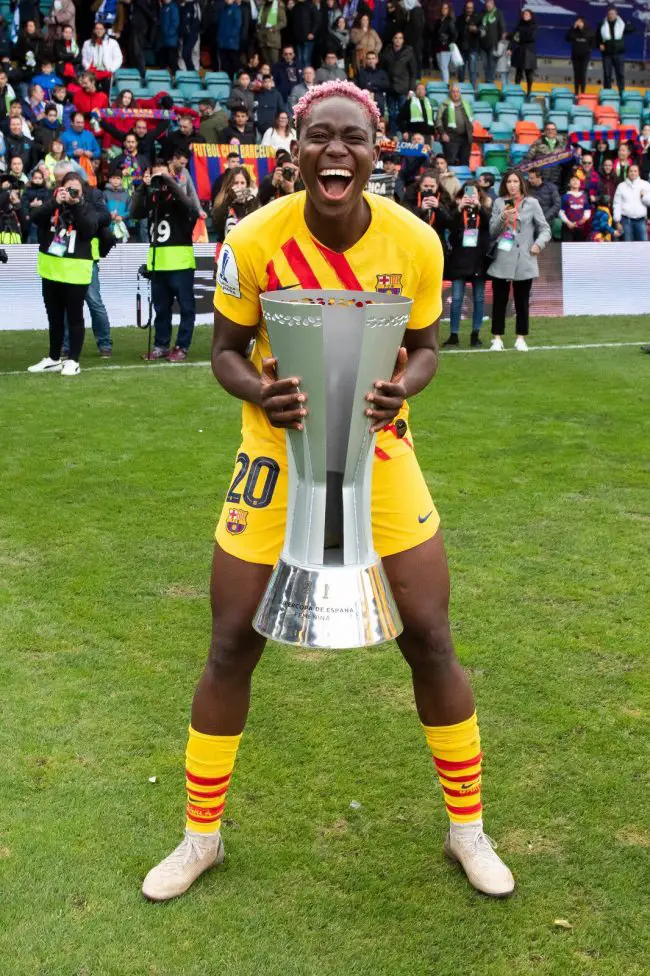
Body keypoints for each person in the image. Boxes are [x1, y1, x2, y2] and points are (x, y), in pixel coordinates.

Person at [141, 78, 515, 905]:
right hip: (276, 460)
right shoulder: (253, 237)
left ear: (377, 153)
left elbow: (426, 347)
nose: (335, 150)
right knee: (232, 639)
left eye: (352, 138)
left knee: (430, 633)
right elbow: (225, 351)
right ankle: (199, 838)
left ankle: (468, 830)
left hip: (381, 457)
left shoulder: (415, 240)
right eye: (319, 137)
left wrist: (403, 387)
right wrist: (258, 392)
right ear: (296, 151)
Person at [27, 172, 99, 377]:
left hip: (76, 273)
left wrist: (75, 206)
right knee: (54, 317)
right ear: (60, 189)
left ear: (82, 191)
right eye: (67, 189)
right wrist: (53, 203)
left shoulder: (87, 208)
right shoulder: (53, 205)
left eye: (75, 190)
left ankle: (73, 360)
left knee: (75, 317)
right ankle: (53, 358)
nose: (71, 193)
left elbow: (88, 230)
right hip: (51, 270)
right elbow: (33, 218)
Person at [129, 160, 199, 362]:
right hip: (158, 263)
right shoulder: (152, 200)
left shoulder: (178, 199)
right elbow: (135, 213)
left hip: (180, 264)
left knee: (186, 308)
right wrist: (143, 187)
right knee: (161, 308)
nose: (160, 181)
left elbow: (191, 208)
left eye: (163, 175)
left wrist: (170, 182)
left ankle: (182, 346)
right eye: (155, 176)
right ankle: (161, 345)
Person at [487, 169, 550, 352]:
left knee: (522, 301)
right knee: (499, 300)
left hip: (525, 258)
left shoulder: (532, 203)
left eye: (515, 181)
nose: (512, 185)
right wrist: (502, 217)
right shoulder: (499, 202)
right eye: (508, 182)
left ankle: (521, 337)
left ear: (521, 183)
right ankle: (496, 337)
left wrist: (538, 244)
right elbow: (492, 231)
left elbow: (545, 228)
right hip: (502, 257)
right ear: (504, 184)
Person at [442, 181, 491, 348]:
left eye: (474, 194)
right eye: (467, 194)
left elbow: (489, 225)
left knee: (479, 298)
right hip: (459, 260)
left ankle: (475, 334)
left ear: (479, 196)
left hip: (478, 260)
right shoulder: (457, 212)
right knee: (456, 298)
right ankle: (453, 334)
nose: (471, 197)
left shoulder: (483, 211)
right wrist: (459, 208)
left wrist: (480, 208)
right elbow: (449, 227)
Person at [211, 165, 260, 242]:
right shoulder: (222, 200)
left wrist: (250, 202)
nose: (239, 186)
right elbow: (217, 225)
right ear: (230, 184)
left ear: (247, 185)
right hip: (227, 247)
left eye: (242, 183)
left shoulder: (252, 201)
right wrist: (229, 200)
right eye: (236, 183)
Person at [382, 31, 417, 135]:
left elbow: (413, 72)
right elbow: (383, 71)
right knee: (392, 114)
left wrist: (411, 89)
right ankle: (393, 135)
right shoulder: (386, 51)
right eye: (396, 38)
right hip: (390, 88)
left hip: (403, 88)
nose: (398, 40)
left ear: (403, 40)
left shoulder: (409, 52)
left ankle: (404, 135)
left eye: (400, 38)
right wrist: (384, 86)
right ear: (393, 39)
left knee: (403, 114)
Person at [402, 169, 450, 245]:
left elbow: (449, 222)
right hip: (416, 238)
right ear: (420, 184)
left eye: (432, 186)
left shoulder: (444, 196)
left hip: (437, 239)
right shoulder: (410, 195)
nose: (428, 189)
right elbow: (406, 218)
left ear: (437, 186)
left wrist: (439, 207)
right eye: (425, 186)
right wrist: (421, 209)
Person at [599, 4, 634, 96]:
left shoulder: (621, 24)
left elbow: (632, 29)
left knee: (620, 74)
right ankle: (607, 94)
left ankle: (621, 93)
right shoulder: (602, 24)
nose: (611, 15)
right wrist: (600, 44)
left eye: (613, 14)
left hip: (619, 54)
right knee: (607, 75)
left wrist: (628, 24)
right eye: (610, 14)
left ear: (616, 14)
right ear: (607, 14)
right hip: (607, 54)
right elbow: (597, 36)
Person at [436, 83, 473, 167]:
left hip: (465, 138)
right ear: (450, 93)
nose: (455, 94)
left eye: (457, 91)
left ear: (460, 93)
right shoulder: (444, 105)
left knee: (465, 162)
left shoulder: (465, 105)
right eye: (453, 92)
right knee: (450, 161)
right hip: (450, 138)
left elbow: (470, 119)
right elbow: (438, 120)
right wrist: (442, 133)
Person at [612, 162, 650, 241]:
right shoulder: (621, 186)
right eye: (631, 171)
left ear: (639, 173)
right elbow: (617, 204)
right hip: (626, 221)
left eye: (635, 171)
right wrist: (617, 221)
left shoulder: (645, 184)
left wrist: (644, 196)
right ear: (627, 173)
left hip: (641, 221)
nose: (633, 173)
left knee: (643, 244)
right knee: (628, 245)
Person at [81, 20, 123, 85]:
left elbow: (118, 58)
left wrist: (111, 69)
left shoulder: (113, 43)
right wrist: (87, 67)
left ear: (104, 30)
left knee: (105, 93)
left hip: (106, 71)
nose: (99, 31)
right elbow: (84, 58)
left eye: (101, 29)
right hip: (92, 72)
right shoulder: (87, 43)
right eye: (97, 28)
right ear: (94, 30)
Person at [524, 121, 563, 188]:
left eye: (553, 129)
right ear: (544, 131)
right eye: (548, 129)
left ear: (556, 131)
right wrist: (534, 176)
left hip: (556, 180)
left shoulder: (562, 145)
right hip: (540, 180)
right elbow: (527, 159)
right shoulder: (537, 143)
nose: (551, 131)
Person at [510, 8, 536, 99]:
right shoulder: (519, 25)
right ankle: (516, 91)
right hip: (520, 50)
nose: (525, 16)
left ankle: (529, 91)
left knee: (529, 73)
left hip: (529, 51)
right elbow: (514, 37)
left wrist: (521, 37)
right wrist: (510, 48)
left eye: (527, 14)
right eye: (524, 14)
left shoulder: (534, 25)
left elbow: (531, 37)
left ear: (531, 16)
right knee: (518, 72)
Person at [456, 0, 481, 90]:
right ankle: (460, 90)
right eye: (467, 8)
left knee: (472, 70)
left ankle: (473, 90)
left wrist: (476, 30)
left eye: (471, 8)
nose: (469, 9)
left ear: (473, 8)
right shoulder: (460, 18)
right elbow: (457, 32)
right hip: (461, 48)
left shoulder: (478, 18)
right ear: (465, 8)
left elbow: (481, 33)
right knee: (461, 71)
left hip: (472, 48)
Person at [356, 51, 389, 117]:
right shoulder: (361, 73)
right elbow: (362, 85)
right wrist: (377, 86)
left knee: (379, 124)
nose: (371, 61)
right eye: (369, 58)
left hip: (379, 101)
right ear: (366, 60)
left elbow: (386, 85)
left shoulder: (382, 73)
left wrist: (372, 83)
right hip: (365, 101)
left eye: (373, 58)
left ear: (377, 60)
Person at [559, 172, 591, 242]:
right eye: (573, 180)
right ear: (569, 184)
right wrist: (568, 222)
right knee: (567, 249)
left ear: (580, 183)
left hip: (580, 227)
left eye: (577, 180)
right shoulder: (565, 196)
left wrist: (584, 219)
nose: (575, 181)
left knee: (579, 250)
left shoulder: (584, 196)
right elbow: (561, 212)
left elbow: (587, 210)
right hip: (567, 227)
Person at [566, 17, 593, 97]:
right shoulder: (574, 31)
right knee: (576, 74)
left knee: (583, 74)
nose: (579, 23)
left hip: (585, 56)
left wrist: (589, 50)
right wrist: (573, 28)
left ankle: (583, 92)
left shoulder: (588, 31)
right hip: (575, 55)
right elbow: (567, 38)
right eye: (577, 22)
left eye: (580, 22)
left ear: (584, 23)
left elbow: (592, 41)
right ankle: (576, 92)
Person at [479, 0, 505, 85]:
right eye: (486, 3)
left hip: (493, 44)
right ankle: (488, 81)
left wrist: (502, 39)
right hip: (482, 44)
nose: (487, 5)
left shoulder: (498, 13)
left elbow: (502, 27)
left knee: (492, 65)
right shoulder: (482, 13)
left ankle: (490, 84)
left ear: (493, 4)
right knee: (485, 65)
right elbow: (478, 23)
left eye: (489, 3)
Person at [216, 0, 243, 80]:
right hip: (222, 42)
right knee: (224, 63)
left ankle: (236, 81)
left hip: (232, 42)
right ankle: (226, 80)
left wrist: (231, 36)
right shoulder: (223, 9)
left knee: (234, 62)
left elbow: (237, 24)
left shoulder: (236, 9)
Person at [289, 0, 320, 68]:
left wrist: (312, 33)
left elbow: (317, 21)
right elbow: (292, 22)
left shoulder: (311, 5)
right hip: (298, 38)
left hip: (308, 38)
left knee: (306, 60)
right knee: (299, 60)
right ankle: (300, 77)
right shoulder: (295, 7)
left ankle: (307, 77)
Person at [257, 0, 287, 66]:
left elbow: (283, 22)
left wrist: (274, 28)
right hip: (263, 39)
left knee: (274, 62)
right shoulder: (262, 7)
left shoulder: (278, 7)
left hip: (273, 39)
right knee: (266, 62)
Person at [433, 2, 457, 85]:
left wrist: (448, 43)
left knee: (444, 67)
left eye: (446, 8)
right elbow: (435, 34)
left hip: (446, 48)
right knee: (441, 67)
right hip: (438, 47)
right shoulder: (438, 21)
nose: (444, 10)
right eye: (443, 8)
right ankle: (442, 84)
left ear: (449, 10)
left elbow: (455, 35)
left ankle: (446, 85)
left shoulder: (450, 20)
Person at [158, 0, 181, 73]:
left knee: (173, 62)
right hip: (163, 41)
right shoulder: (163, 8)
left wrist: (168, 34)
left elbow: (175, 23)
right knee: (163, 63)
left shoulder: (173, 7)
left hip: (171, 41)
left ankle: (176, 79)